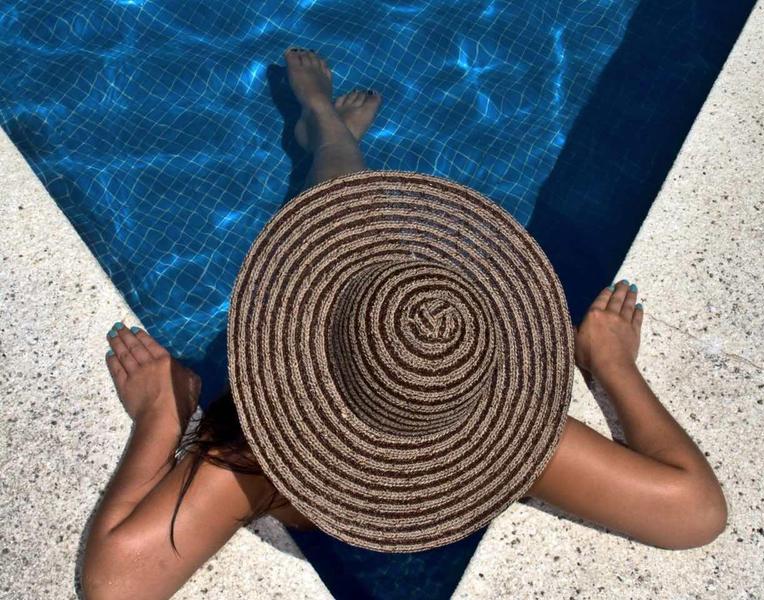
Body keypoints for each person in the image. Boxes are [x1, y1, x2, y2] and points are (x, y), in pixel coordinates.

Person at [81, 48, 727, 599]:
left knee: (340, 216)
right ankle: (329, 132)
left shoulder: (259, 458)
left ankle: (326, 129)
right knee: (345, 212)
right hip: (385, 338)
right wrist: (611, 366)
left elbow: (114, 585)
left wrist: (162, 417)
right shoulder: (509, 440)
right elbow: (695, 512)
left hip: (336, 329)